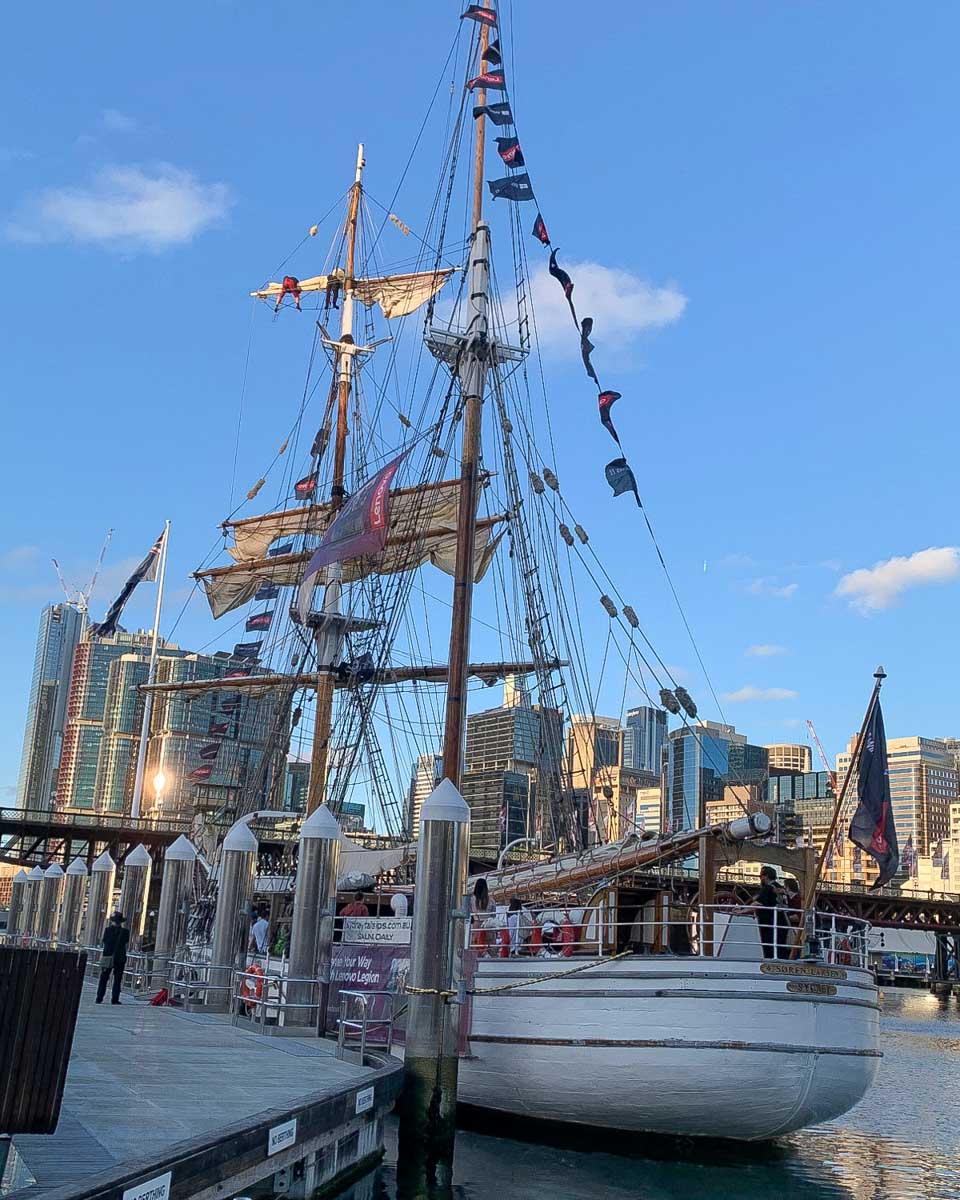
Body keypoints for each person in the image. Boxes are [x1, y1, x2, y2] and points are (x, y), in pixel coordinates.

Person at [96, 913, 129, 1005]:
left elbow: (105, 941)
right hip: (120, 958)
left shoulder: (107, 930)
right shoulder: (125, 932)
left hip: (108, 957)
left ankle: (99, 997)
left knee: (104, 978)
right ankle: (115, 999)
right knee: (117, 979)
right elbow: (125, 942)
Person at [750, 866, 781, 960]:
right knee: (779, 947)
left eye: (761, 876)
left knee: (768, 947)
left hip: (768, 923)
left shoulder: (768, 888)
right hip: (780, 923)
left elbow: (758, 903)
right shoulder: (780, 887)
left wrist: (742, 910)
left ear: (766, 876)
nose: (761, 879)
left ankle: (768, 962)